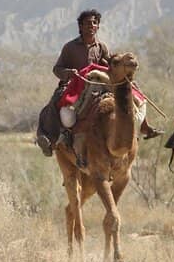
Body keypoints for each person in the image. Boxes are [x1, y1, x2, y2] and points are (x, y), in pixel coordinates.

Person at [35, 9, 161, 157]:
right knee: (56, 101)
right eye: (88, 23)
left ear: (98, 27)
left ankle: (145, 127)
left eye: (95, 23)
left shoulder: (102, 47)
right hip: (75, 84)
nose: (91, 26)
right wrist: (69, 73)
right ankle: (51, 139)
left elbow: (109, 66)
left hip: (99, 81)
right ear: (80, 26)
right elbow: (57, 69)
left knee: (133, 91)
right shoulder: (69, 47)